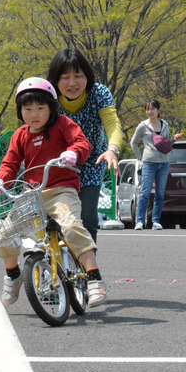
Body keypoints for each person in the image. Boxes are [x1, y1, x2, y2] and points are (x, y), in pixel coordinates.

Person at [0, 77, 107, 307]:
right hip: (31, 194)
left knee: (72, 226)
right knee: (5, 234)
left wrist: (73, 153)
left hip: (62, 191)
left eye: (41, 108)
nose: (34, 114)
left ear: (51, 108)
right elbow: (10, 164)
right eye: (28, 108)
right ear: (20, 111)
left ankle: (94, 278)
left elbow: (81, 143)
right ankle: (12, 274)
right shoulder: (20, 135)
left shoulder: (63, 124)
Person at [46, 49, 123, 243]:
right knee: (55, 221)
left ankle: (87, 268)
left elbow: (112, 123)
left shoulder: (99, 93)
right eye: (65, 78)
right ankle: (56, 266)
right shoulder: (48, 98)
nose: (72, 83)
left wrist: (112, 149)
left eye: (78, 76)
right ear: (55, 80)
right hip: (58, 164)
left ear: (87, 77)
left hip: (91, 162)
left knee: (87, 219)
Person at [130, 99, 183, 230]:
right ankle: (140, 221)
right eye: (147, 109)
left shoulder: (165, 124)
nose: (149, 112)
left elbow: (165, 144)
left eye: (152, 109)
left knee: (160, 193)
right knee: (145, 193)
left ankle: (155, 221)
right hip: (149, 163)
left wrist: (173, 140)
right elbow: (133, 142)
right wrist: (140, 158)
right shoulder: (142, 126)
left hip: (164, 163)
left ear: (158, 110)